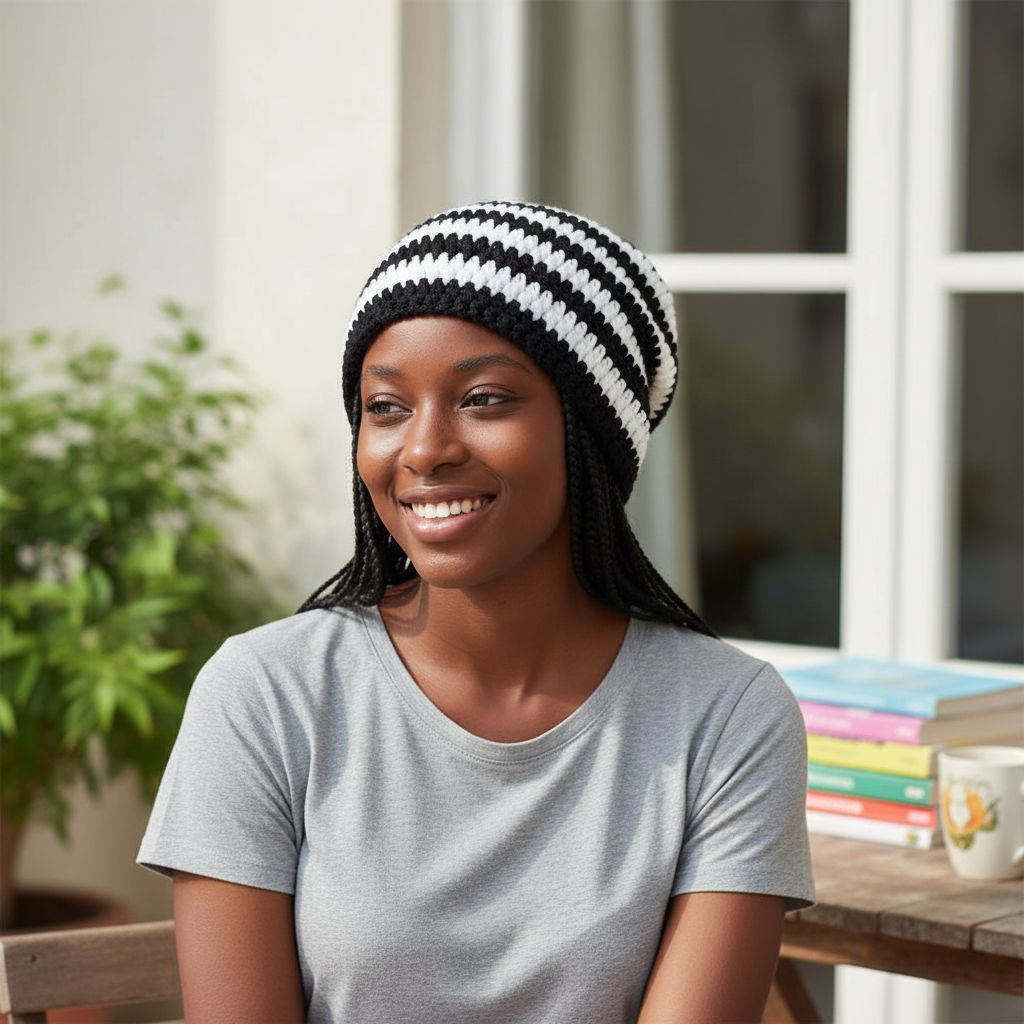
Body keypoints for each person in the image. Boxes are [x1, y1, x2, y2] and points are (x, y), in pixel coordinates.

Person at [137, 199, 815, 1024]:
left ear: (590, 432)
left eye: (485, 399)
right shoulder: (266, 695)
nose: (423, 449)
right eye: (386, 407)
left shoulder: (726, 717)